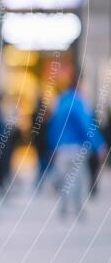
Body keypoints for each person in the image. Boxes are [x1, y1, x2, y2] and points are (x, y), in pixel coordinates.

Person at [47, 76, 106, 218]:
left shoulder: (60, 103)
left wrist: (53, 146)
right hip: (76, 149)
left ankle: (64, 208)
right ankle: (78, 208)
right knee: (79, 179)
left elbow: (53, 128)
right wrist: (99, 145)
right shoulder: (79, 103)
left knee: (65, 179)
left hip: (61, 148)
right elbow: (87, 126)